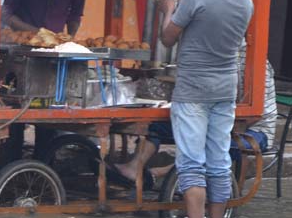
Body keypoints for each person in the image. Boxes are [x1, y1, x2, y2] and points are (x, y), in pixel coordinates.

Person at [157, 0, 254, 218]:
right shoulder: (245, 1)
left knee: (191, 164)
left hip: (193, 91)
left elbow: (168, 38)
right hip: (225, 90)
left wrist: (167, 9)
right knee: (219, 163)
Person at [112, 56, 276, 190]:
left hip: (255, 131)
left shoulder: (256, 64)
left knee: (212, 145)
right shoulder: (214, 59)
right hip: (215, 121)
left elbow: (256, 114)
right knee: (157, 127)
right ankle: (135, 166)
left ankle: (163, 174)